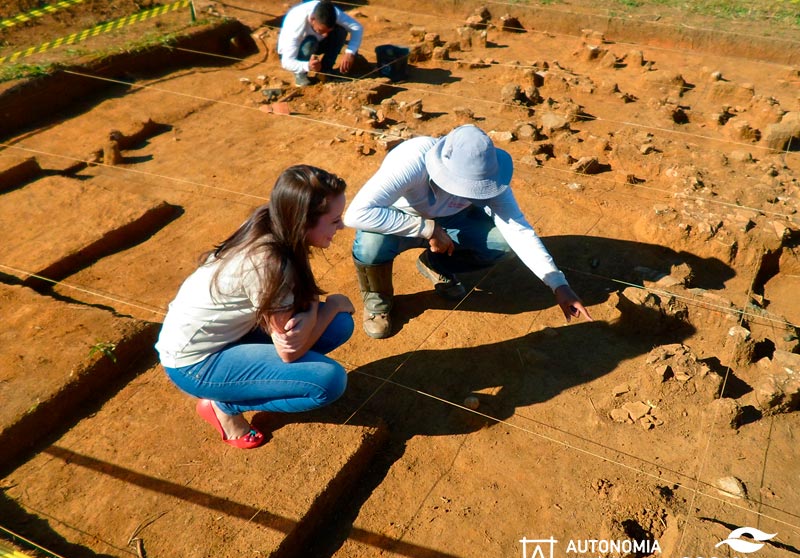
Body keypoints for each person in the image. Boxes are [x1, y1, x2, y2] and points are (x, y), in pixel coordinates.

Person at [156, 165, 355, 449]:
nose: (342, 226)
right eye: (335, 220)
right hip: (195, 363)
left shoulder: (272, 223)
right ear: (303, 222)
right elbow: (289, 351)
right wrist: (329, 305)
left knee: (338, 326)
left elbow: (301, 301)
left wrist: (316, 308)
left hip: (231, 334)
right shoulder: (270, 264)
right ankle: (224, 404)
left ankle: (243, 382)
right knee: (329, 382)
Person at [343, 124, 592, 339]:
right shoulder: (412, 160)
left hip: (453, 221)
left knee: (503, 243)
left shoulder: (491, 176)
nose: (475, 192)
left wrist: (558, 284)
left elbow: (518, 229)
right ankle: (377, 299)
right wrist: (428, 229)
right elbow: (357, 213)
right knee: (370, 245)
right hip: (398, 219)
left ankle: (437, 265)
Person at [277, 0, 363, 87]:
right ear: (312, 19)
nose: (325, 35)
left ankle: (325, 70)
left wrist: (350, 52)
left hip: (318, 44)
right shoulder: (295, 24)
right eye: (321, 30)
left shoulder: (332, 12)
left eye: (328, 31)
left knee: (340, 32)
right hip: (298, 50)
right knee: (310, 43)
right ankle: (300, 74)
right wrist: (308, 66)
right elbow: (286, 62)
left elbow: (357, 27)